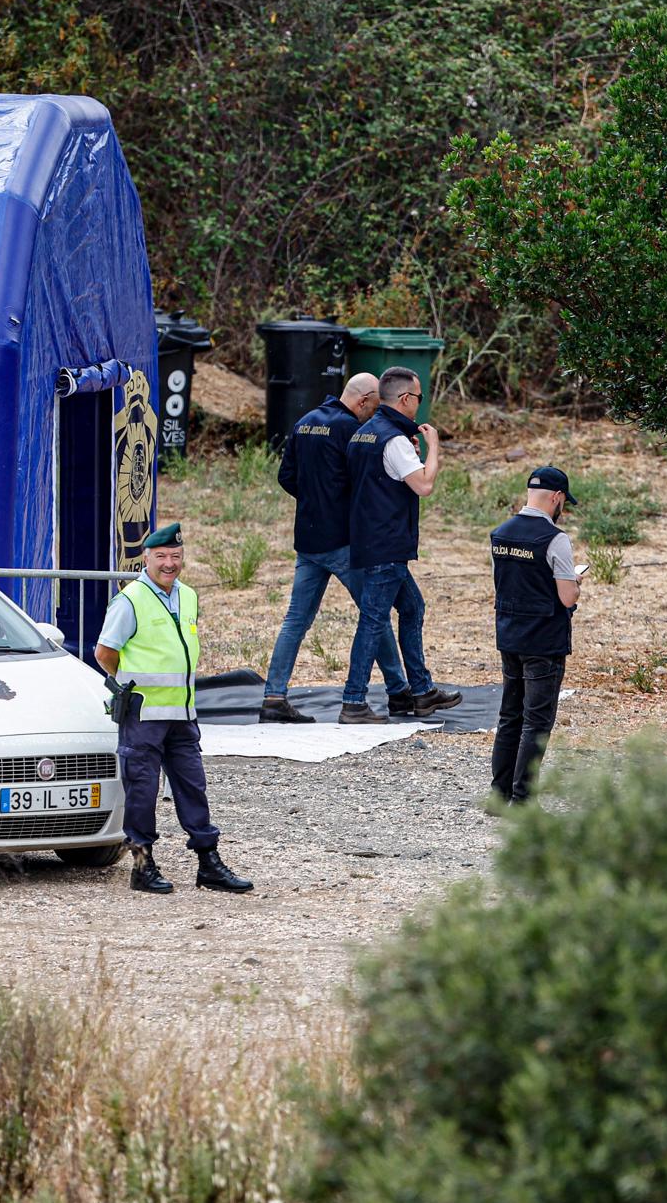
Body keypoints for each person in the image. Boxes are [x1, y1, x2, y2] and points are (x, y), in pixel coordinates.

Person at [94, 523, 254, 896]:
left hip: (182, 714)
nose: (169, 564)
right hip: (144, 714)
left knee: (193, 787)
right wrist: (132, 684)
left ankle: (208, 862)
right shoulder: (130, 600)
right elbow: (104, 653)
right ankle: (141, 865)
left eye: (176, 557)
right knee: (142, 791)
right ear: (145, 558)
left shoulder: (189, 597)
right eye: (162, 557)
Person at [259, 372, 411, 722]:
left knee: (295, 621)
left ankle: (274, 695)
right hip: (344, 543)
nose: (374, 415)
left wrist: (314, 502)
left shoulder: (305, 422)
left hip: (308, 541)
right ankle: (399, 690)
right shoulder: (351, 431)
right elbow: (365, 483)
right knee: (375, 615)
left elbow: (286, 477)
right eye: (373, 408)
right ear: (362, 401)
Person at [339, 366, 462, 724]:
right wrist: (433, 447)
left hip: (367, 538)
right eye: (419, 398)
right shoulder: (393, 440)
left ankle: (421, 692)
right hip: (387, 544)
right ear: (406, 399)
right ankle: (353, 701)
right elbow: (423, 485)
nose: (419, 404)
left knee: (412, 609)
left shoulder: (363, 433)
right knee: (373, 621)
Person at [489, 467, 581, 803]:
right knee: (536, 722)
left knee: (509, 716)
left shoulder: (500, 534)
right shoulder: (555, 539)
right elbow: (566, 597)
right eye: (563, 502)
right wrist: (576, 583)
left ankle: (498, 795)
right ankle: (523, 799)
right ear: (556, 497)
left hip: (510, 635)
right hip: (544, 640)